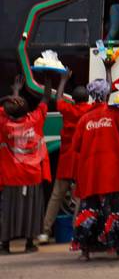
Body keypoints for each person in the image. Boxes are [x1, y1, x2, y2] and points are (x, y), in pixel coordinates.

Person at [70, 78, 119, 259]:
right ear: (107, 94)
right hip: (114, 173)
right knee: (117, 209)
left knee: (90, 210)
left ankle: (85, 251)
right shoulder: (116, 114)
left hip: (91, 174)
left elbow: (76, 146)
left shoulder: (84, 118)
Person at [0, 74, 51, 254]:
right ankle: (29, 244)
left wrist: (11, 94)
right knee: (31, 209)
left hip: (11, 176)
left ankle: (5, 245)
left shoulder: (4, 123)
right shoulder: (36, 120)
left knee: (8, 210)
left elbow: (4, 107)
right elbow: (45, 99)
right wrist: (48, 80)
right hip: (31, 175)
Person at [40, 70, 80, 245]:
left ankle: (45, 232)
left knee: (56, 197)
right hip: (79, 163)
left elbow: (59, 100)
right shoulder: (89, 111)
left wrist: (62, 80)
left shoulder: (68, 110)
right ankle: (77, 232)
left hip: (65, 162)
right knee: (79, 199)